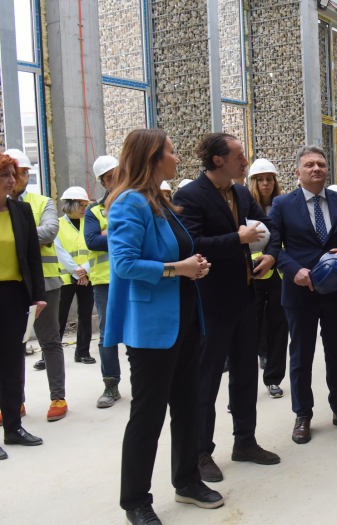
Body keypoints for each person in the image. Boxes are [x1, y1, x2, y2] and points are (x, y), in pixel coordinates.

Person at [103, 129, 222, 524]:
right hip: (153, 328)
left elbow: (175, 253)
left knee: (187, 406)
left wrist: (193, 267)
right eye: (170, 152)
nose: (176, 157)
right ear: (152, 158)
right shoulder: (129, 202)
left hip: (184, 319)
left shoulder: (160, 202)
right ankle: (135, 500)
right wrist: (177, 269)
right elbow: (124, 264)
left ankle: (187, 481)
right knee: (148, 414)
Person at [173, 133, 282, 483]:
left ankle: (245, 442)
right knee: (205, 381)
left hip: (245, 298)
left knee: (245, 374)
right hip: (210, 304)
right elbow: (192, 243)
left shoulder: (240, 194)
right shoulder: (190, 196)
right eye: (239, 156)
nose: (245, 162)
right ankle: (201, 452)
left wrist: (271, 255)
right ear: (218, 160)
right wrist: (238, 239)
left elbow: (269, 227)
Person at [267, 146, 337, 445]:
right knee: (301, 356)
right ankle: (303, 414)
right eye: (309, 165)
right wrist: (293, 269)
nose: (316, 168)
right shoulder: (282, 204)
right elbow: (273, 247)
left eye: (321, 163)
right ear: (298, 172)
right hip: (300, 292)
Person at [5, 148, 65, 422]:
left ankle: (58, 397)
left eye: (21, 172)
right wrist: (30, 234)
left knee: (49, 341)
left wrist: (19, 233)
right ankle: (14, 402)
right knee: (12, 346)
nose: (17, 178)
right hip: (12, 286)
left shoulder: (42, 202)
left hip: (45, 282)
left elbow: (50, 230)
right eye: (10, 173)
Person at [0, 153, 47, 460]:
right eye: (4, 175)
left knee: (13, 364)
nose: (11, 180)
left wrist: (37, 296)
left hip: (15, 296)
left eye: (12, 174)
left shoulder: (21, 210)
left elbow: (32, 257)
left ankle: (13, 428)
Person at [247, 159, 288, 400]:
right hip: (251, 275)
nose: (266, 183)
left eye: (269, 179)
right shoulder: (244, 208)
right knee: (249, 328)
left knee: (279, 328)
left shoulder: (282, 206)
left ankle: (273, 379)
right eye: (260, 179)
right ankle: (246, 384)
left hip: (278, 276)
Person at [84, 155, 123, 408]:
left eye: (119, 174)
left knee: (138, 330)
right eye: (110, 177)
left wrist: (110, 232)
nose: (116, 180)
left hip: (132, 276)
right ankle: (111, 385)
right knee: (107, 335)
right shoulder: (93, 211)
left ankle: (146, 381)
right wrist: (123, 233)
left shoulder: (137, 202)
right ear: (103, 182)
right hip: (105, 281)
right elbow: (92, 241)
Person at [55, 187, 96, 380]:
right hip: (66, 277)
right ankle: (50, 355)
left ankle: (82, 352)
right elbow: (59, 250)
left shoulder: (89, 223)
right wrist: (75, 270)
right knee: (59, 316)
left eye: (86, 205)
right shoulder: (58, 224)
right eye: (81, 205)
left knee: (85, 314)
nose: (84, 209)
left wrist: (84, 270)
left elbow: (94, 249)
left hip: (87, 275)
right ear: (70, 204)